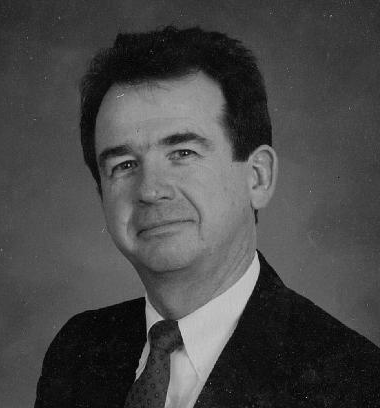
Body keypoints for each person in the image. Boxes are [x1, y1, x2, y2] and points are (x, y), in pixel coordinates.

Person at [34, 26, 380, 408]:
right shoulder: (78, 351)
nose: (150, 190)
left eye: (183, 153)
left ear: (258, 177)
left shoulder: (355, 382)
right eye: (125, 164)